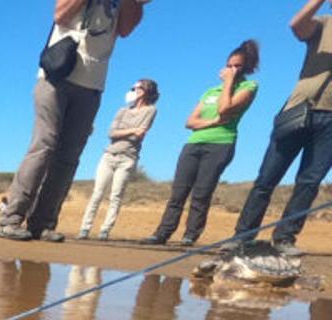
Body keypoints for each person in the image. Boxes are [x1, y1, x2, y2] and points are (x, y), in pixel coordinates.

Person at [0, 0, 149, 243]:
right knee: (44, 145)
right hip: (56, 77)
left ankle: (43, 223)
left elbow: (125, 30)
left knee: (68, 157)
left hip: (92, 86)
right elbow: (60, 14)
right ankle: (12, 218)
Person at [233, 0, 332, 257]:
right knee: (267, 178)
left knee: (309, 182)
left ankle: (284, 238)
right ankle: (243, 237)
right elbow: (297, 25)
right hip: (300, 109)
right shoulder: (324, 23)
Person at [142, 41, 260, 246]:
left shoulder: (249, 87)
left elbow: (225, 109)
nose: (232, 69)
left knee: (202, 192)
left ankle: (190, 235)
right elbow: (190, 122)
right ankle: (162, 233)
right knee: (178, 192)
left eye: (237, 66)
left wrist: (229, 83)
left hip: (221, 144)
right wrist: (211, 122)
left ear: (247, 67)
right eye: (229, 65)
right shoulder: (209, 92)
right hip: (194, 143)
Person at [78, 78, 159, 240]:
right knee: (97, 193)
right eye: (133, 87)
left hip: (128, 157)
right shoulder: (122, 111)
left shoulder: (150, 110)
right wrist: (132, 130)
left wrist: (127, 131)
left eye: (138, 87)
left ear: (146, 91)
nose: (134, 90)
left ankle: (105, 230)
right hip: (109, 155)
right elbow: (111, 133)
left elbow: (141, 133)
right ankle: (85, 228)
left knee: (116, 195)